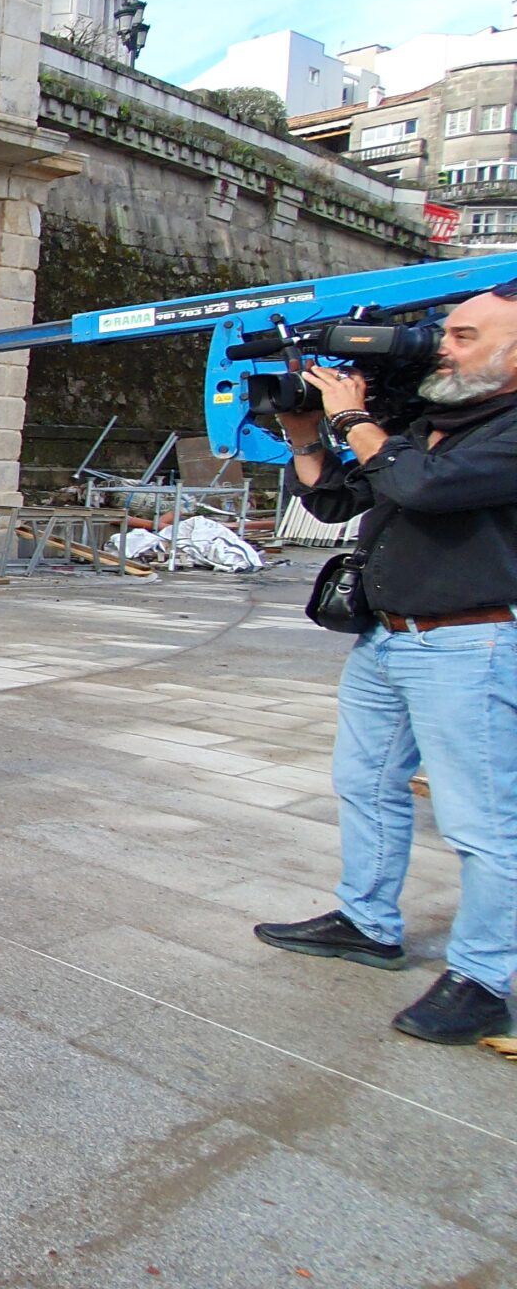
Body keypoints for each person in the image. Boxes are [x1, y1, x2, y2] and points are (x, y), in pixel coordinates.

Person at [253, 282, 517, 1044]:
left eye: (465, 337)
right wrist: (308, 433)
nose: (444, 346)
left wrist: (354, 418)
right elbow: (337, 500)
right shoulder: (428, 420)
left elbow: (425, 489)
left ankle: (483, 978)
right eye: (448, 333)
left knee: (483, 822)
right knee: (364, 784)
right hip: (387, 638)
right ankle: (367, 922)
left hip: (470, 641)